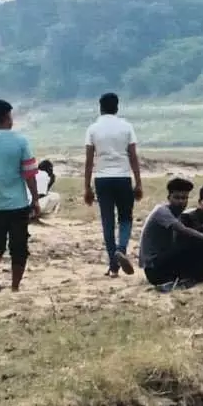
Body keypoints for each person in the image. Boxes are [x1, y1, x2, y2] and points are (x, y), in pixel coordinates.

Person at [0, 100, 40, 292]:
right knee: (19, 247)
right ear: (7, 117)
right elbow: (30, 175)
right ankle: (15, 286)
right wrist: (35, 199)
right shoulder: (21, 141)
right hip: (18, 204)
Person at [84, 92, 143, 277]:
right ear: (117, 107)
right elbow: (133, 156)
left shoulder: (93, 129)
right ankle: (121, 249)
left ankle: (113, 265)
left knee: (107, 221)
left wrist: (87, 187)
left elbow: (88, 160)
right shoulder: (126, 127)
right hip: (123, 177)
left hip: (102, 179)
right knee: (125, 218)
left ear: (100, 107)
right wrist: (138, 182)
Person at [137, 178, 203, 290]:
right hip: (154, 269)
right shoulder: (162, 211)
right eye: (177, 197)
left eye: (184, 198)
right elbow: (182, 230)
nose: (181, 201)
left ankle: (194, 277)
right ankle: (193, 277)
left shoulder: (176, 213)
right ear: (169, 198)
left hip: (165, 264)